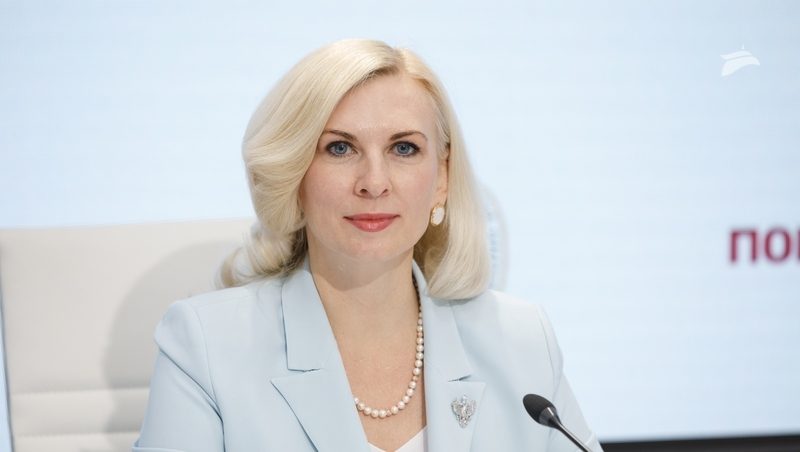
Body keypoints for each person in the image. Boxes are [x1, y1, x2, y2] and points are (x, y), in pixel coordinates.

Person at [133, 39, 602, 452]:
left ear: (442, 179)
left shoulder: (521, 340)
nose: (374, 183)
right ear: (294, 174)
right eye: (340, 148)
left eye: (404, 148)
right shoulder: (206, 347)